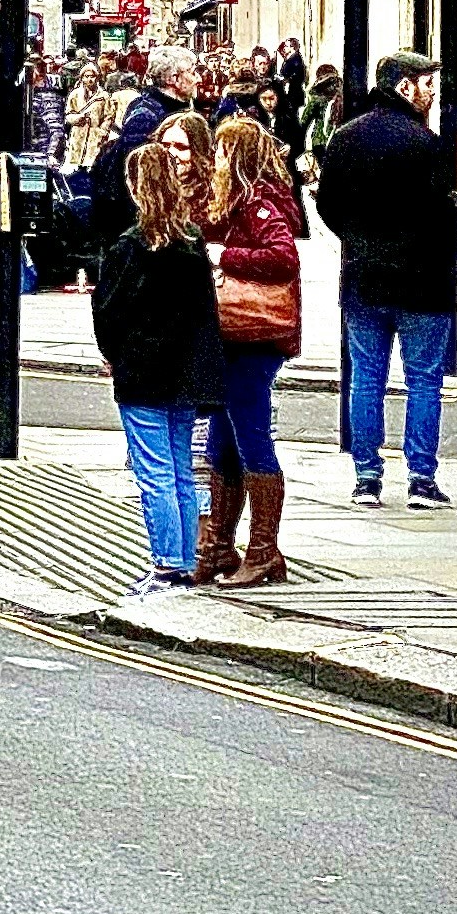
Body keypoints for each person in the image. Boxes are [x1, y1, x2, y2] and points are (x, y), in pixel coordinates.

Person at [312, 51, 457, 505]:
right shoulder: (429, 145)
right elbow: (446, 216)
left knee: (367, 378)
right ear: (403, 87)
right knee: (424, 380)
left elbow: (327, 205)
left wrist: (358, 238)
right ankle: (421, 478)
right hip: (423, 280)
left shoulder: (346, 137)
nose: (432, 93)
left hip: (364, 277)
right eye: (426, 83)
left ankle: (367, 478)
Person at [90, 133, 216, 589]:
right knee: (181, 467)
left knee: (154, 471)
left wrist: (113, 356)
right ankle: (183, 561)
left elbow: (109, 312)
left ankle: (166, 563)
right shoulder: (192, 240)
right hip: (185, 371)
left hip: (143, 372)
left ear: (137, 187)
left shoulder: (131, 246)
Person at [202, 113, 302, 586]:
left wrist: (226, 256)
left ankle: (264, 550)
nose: (214, 159)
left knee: (251, 435)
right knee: (222, 438)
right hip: (234, 336)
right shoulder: (235, 202)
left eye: (220, 151)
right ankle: (219, 545)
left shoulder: (261, 205)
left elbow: (283, 257)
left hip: (255, 337)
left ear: (235, 157)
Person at [89, 46, 194, 251]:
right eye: (191, 71)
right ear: (174, 78)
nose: (197, 78)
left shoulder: (165, 110)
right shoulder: (146, 117)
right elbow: (135, 178)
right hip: (144, 229)